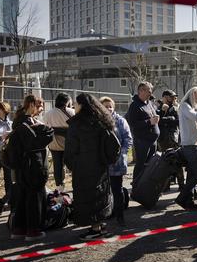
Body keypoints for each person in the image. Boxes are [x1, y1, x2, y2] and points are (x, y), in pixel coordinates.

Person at [65, 94, 115, 240]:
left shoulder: (77, 124)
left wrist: (71, 164)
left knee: (87, 197)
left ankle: (95, 229)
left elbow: (71, 148)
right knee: (100, 195)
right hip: (100, 165)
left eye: (76, 104)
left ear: (82, 105)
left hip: (83, 166)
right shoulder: (102, 120)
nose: (74, 106)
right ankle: (100, 225)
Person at [11, 95, 53, 242]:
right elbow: (36, 143)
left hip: (21, 166)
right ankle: (33, 230)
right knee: (35, 197)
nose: (40, 109)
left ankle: (19, 228)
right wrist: (47, 130)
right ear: (31, 105)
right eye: (39, 105)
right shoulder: (26, 123)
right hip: (33, 165)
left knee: (23, 196)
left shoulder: (18, 121)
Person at [100, 97, 132, 227]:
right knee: (103, 191)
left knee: (117, 190)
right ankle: (105, 214)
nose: (108, 108)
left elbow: (128, 139)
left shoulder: (120, 121)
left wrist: (121, 154)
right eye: (105, 106)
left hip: (116, 163)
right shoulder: (97, 122)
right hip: (101, 163)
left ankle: (120, 216)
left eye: (110, 106)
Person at [126, 82, 160, 182]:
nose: (150, 93)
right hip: (142, 141)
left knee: (151, 164)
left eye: (151, 90)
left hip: (152, 140)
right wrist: (149, 121)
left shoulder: (149, 103)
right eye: (149, 90)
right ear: (141, 91)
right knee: (141, 164)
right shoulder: (134, 105)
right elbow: (132, 123)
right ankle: (136, 185)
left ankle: (146, 186)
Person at [42, 93, 75, 192]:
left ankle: (59, 187)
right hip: (69, 145)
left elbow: (46, 128)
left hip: (54, 145)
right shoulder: (72, 112)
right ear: (67, 101)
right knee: (73, 165)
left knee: (58, 166)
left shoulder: (48, 114)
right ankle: (76, 185)